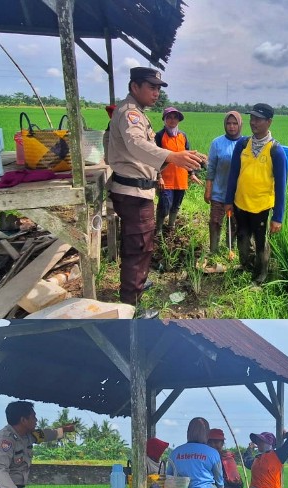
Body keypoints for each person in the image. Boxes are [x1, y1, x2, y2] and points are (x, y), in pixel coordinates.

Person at [107, 67, 204, 317]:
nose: (156, 93)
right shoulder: (130, 114)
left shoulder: (138, 113)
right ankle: (131, 305)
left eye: (158, 88)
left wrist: (181, 157)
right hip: (133, 192)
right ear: (134, 87)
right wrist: (172, 156)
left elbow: (146, 150)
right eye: (151, 87)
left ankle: (136, 285)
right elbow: (137, 145)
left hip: (138, 191)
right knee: (138, 246)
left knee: (143, 244)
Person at [224, 103, 288, 285]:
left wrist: (278, 217)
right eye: (252, 118)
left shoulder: (276, 151)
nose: (253, 122)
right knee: (243, 237)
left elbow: (281, 187)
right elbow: (233, 174)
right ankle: (245, 265)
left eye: (258, 119)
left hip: (261, 206)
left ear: (269, 122)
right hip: (240, 203)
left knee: (261, 243)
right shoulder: (243, 144)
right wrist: (229, 200)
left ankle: (260, 277)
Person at [154, 106, 202, 235]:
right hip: (166, 179)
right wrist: (159, 176)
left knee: (176, 205)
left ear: (179, 120)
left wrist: (192, 173)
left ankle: (171, 226)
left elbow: (189, 156)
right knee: (165, 206)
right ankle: (158, 228)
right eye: (169, 117)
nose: (172, 120)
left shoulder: (183, 136)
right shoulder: (159, 136)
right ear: (164, 119)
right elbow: (154, 158)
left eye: (175, 117)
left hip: (181, 178)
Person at [204, 111, 244, 253]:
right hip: (219, 192)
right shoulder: (217, 143)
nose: (231, 126)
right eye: (228, 123)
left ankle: (230, 250)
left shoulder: (246, 143)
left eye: (235, 123)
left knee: (233, 223)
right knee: (215, 222)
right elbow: (211, 167)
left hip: (238, 194)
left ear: (240, 125)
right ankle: (213, 250)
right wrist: (208, 189)